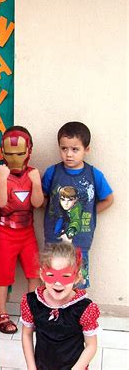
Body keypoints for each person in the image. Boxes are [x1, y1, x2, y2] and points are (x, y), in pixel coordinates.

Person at [42, 121, 113, 288]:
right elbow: (42, 199)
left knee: (78, 282)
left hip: (81, 243)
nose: (69, 154)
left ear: (86, 149)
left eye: (75, 149)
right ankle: (53, 313)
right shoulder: (53, 172)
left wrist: (88, 212)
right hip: (54, 241)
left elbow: (109, 199)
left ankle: (78, 313)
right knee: (53, 281)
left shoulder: (94, 174)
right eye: (64, 148)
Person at [0, 126, 44, 334]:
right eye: (10, 153)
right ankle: (1, 313)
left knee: (34, 271)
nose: (15, 158)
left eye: (20, 153)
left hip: (27, 232)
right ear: (3, 152)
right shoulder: (0, 175)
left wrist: (37, 183)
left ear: (29, 151)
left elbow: (38, 203)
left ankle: (32, 310)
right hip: (5, 233)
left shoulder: (32, 174)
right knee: (3, 275)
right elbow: (1, 203)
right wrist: (3, 179)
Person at [21, 243, 100, 370]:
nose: (58, 283)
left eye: (66, 276)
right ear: (42, 274)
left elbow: (91, 346)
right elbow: (26, 334)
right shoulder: (32, 302)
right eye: (51, 275)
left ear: (77, 277)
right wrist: (31, 366)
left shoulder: (84, 309)